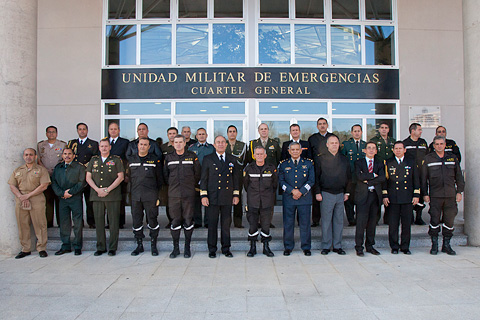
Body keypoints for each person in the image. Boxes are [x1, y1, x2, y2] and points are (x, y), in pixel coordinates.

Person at [422, 135, 465, 255]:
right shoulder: (428, 159)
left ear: (445, 145)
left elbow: (459, 177)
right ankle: (434, 245)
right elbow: (423, 179)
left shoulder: (452, 158)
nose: (439, 146)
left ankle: (446, 245)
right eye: (437, 144)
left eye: (441, 144)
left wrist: (459, 192)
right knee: (434, 220)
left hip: (451, 196)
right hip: (435, 196)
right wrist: (425, 194)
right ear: (433, 146)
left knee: (449, 221)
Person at [200, 135, 240, 258]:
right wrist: (203, 195)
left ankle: (226, 248)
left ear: (226, 144)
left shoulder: (232, 159)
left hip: (227, 197)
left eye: (223, 142)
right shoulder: (208, 159)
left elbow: (236, 179)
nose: (221, 144)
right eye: (218, 142)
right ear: (214, 145)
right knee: (212, 224)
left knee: (226, 224)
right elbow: (204, 179)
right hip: (212, 197)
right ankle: (212, 249)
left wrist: (236, 194)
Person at [8, 148, 50, 259]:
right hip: (21, 199)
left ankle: (41, 248)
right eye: (26, 155)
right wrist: (21, 197)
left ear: (35, 157)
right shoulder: (18, 170)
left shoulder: (41, 170)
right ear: (23, 157)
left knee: (40, 224)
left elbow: (44, 185)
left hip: (36, 199)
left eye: (31, 155)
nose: (28, 157)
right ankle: (25, 249)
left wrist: (28, 196)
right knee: (22, 225)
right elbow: (12, 185)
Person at [86, 139, 124, 256]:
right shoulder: (94, 160)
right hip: (97, 196)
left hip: (112, 195)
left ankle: (112, 247)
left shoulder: (116, 160)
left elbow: (121, 177)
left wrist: (108, 190)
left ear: (110, 147)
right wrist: (98, 190)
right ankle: (101, 247)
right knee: (99, 222)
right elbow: (88, 177)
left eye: (106, 146)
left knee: (113, 223)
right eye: (102, 146)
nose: (104, 148)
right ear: (99, 147)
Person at [164, 135, 201, 258]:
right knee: (175, 221)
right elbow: (165, 176)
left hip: (188, 194)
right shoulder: (168, 157)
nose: (178, 144)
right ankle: (175, 248)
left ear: (185, 143)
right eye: (176, 142)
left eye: (180, 142)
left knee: (188, 220)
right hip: (174, 195)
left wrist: (190, 185)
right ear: (173, 144)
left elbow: (197, 174)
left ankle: (187, 248)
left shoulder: (192, 156)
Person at [316, 136, 352, 255]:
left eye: (336, 143)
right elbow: (316, 177)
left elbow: (349, 176)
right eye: (332, 143)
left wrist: (347, 192)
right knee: (326, 222)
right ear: (327, 145)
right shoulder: (321, 159)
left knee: (338, 221)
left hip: (341, 194)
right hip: (326, 193)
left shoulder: (344, 159)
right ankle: (326, 246)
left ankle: (337, 246)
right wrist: (317, 192)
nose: (334, 145)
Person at [382, 141, 420, 255]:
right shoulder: (388, 162)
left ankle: (405, 247)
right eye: (396, 148)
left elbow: (416, 180)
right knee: (393, 224)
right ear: (393, 150)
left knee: (406, 224)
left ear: (405, 150)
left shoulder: (411, 162)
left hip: (407, 197)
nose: (398, 150)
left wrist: (416, 195)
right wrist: (385, 195)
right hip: (393, 198)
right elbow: (385, 181)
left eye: (400, 148)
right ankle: (394, 246)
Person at [279, 142, 315, 256]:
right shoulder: (284, 164)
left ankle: (306, 247)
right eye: (292, 149)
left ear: (301, 151)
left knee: (305, 224)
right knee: (288, 224)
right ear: (289, 151)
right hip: (289, 198)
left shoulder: (308, 163)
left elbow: (311, 181)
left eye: (297, 149)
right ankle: (288, 247)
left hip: (304, 198)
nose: (295, 151)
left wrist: (301, 191)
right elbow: (281, 181)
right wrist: (292, 191)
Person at [129, 138, 163, 256]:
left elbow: (160, 180)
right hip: (136, 196)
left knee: (152, 220)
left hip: (150, 196)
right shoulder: (131, 160)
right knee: (137, 221)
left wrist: (157, 196)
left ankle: (153, 245)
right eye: (141, 144)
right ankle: (139, 245)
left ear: (149, 147)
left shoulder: (154, 160)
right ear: (137, 146)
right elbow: (128, 179)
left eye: (145, 145)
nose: (143, 146)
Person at [243, 146, 278, 257]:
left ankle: (266, 247)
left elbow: (275, 184)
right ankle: (252, 247)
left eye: (261, 154)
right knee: (253, 225)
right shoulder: (249, 169)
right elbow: (245, 185)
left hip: (267, 202)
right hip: (253, 201)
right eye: (257, 154)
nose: (259, 156)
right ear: (254, 155)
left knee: (266, 225)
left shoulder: (271, 168)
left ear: (265, 155)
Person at [51, 148, 86, 256]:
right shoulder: (58, 168)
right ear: (62, 155)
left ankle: (77, 246)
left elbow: (82, 182)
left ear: (73, 155)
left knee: (78, 223)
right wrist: (62, 193)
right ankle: (65, 245)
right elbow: (54, 182)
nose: (67, 156)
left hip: (75, 198)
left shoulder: (79, 167)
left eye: (69, 154)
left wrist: (70, 192)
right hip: (62, 199)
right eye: (65, 154)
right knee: (64, 223)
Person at [354, 142, 386, 256]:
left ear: (376, 151)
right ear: (365, 150)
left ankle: (370, 246)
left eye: (373, 148)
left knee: (372, 223)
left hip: (375, 196)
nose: (371, 150)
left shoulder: (379, 163)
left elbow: (382, 178)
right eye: (369, 148)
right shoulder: (358, 163)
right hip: (363, 196)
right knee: (361, 223)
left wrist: (368, 180)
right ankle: (359, 247)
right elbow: (359, 176)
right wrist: (373, 175)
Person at [247, 123, 281, 228]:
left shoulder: (274, 143)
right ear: (258, 131)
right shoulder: (253, 143)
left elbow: (278, 159)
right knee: (256, 201)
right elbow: (249, 160)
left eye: (265, 129)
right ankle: (256, 221)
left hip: (269, 176)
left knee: (269, 200)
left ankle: (267, 221)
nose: (264, 131)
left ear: (268, 130)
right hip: (255, 176)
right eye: (261, 129)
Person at [67, 122, 99, 229]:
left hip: (89, 176)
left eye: (84, 129)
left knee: (90, 201)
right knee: (76, 201)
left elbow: (95, 159)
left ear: (87, 130)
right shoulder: (72, 143)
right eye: (80, 129)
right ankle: (78, 222)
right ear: (77, 131)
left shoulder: (93, 144)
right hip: (76, 177)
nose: (82, 131)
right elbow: (69, 158)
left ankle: (91, 222)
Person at [37, 125, 66, 228]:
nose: (51, 134)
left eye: (53, 132)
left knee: (59, 200)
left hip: (58, 176)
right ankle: (48, 223)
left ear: (56, 133)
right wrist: (44, 170)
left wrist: (56, 170)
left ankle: (60, 223)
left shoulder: (62, 145)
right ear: (46, 134)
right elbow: (39, 159)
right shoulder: (41, 145)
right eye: (49, 132)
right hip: (45, 176)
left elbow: (64, 159)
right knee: (47, 200)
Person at [308, 118, 335, 227]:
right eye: (320, 124)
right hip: (316, 169)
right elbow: (309, 155)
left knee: (330, 195)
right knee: (316, 195)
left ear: (327, 125)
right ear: (317, 126)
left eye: (324, 124)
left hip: (331, 169)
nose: (322, 126)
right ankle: (315, 220)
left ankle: (330, 218)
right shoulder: (312, 138)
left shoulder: (332, 137)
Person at [370, 121, 396, 224]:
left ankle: (388, 218)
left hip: (390, 169)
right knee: (377, 195)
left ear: (388, 130)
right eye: (382, 127)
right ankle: (376, 219)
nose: (384, 129)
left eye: (386, 127)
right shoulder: (374, 141)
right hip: (378, 169)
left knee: (389, 193)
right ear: (379, 130)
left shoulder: (392, 141)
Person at [341, 124, 366, 226]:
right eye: (355, 131)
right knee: (349, 200)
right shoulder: (346, 144)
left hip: (362, 177)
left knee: (361, 199)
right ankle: (351, 219)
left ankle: (360, 219)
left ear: (361, 132)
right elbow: (342, 160)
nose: (357, 133)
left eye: (358, 131)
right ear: (351, 132)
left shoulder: (365, 145)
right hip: (350, 177)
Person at [403, 123, 428, 225]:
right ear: (413, 131)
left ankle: (419, 217)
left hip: (422, 173)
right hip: (410, 173)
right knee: (410, 194)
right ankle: (410, 217)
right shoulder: (405, 143)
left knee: (421, 194)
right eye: (419, 130)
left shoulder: (423, 142)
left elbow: (427, 156)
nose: (421, 131)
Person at [189, 128, 215, 228]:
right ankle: (197, 221)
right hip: (195, 176)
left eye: (203, 134)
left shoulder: (211, 148)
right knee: (196, 200)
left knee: (208, 198)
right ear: (196, 136)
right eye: (199, 134)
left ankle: (208, 221)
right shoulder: (191, 148)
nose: (201, 136)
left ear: (206, 135)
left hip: (209, 176)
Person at [107, 122, 129, 229]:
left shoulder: (124, 142)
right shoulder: (104, 142)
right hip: (107, 175)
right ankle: (109, 222)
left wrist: (126, 173)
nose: (113, 131)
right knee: (108, 199)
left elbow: (127, 159)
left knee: (120, 199)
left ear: (119, 130)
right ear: (108, 130)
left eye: (115, 129)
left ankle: (120, 222)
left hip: (120, 173)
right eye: (111, 129)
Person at [225, 125, 247, 228]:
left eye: (234, 131)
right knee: (226, 199)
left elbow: (246, 161)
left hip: (238, 175)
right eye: (230, 131)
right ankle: (226, 222)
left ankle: (238, 223)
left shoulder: (242, 145)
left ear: (237, 133)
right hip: (225, 176)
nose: (232, 133)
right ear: (227, 133)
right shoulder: (223, 144)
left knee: (238, 198)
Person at [159, 127, 179, 227]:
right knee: (169, 201)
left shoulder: (182, 146)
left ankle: (180, 220)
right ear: (167, 135)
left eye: (174, 133)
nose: (172, 135)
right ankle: (171, 221)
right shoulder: (163, 148)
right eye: (170, 133)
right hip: (168, 180)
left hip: (180, 179)